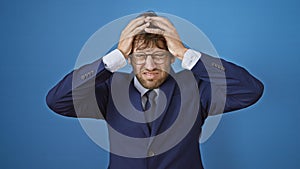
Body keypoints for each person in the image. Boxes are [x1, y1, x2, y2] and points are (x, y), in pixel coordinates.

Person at [46, 11, 264, 169]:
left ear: (171, 57)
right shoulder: (111, 89)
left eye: (159, 56)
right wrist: (114, 56)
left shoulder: (195, 87)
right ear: (128, 59)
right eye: (140, 56)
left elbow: (250, 91)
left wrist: (185, 52)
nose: (150, 66)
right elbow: (58, 101)